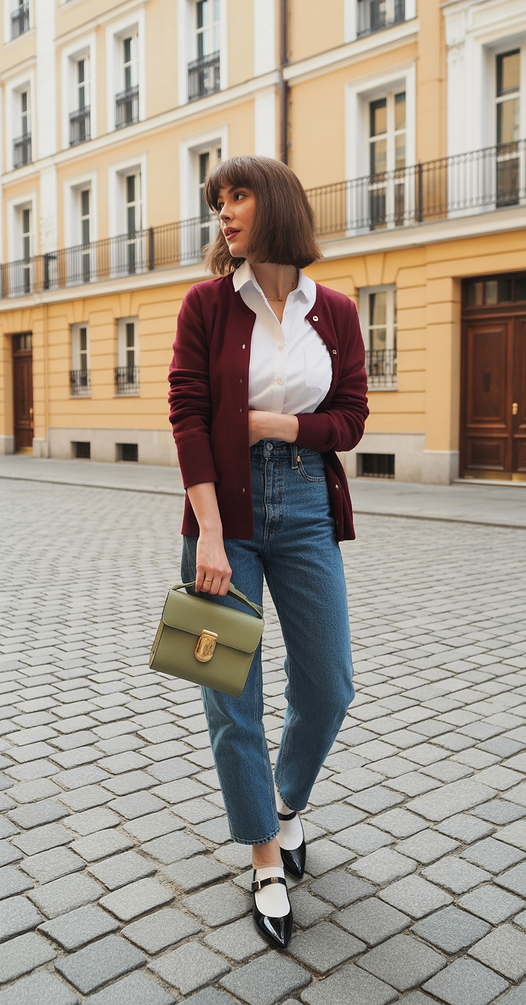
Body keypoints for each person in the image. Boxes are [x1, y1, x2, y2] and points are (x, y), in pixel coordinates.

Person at [168, 155, 368, 949]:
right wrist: (209, 531)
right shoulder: (206, 305)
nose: (224, 212)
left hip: (309, 503)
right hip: (222, 512)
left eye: (238, 196)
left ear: (277, 204)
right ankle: (263, 858)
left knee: (330, 683)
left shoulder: (338, 311)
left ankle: (285, 803)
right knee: (230, 696)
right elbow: (186, 415)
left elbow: (350, 419)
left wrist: (276, 426)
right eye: (218, 201)